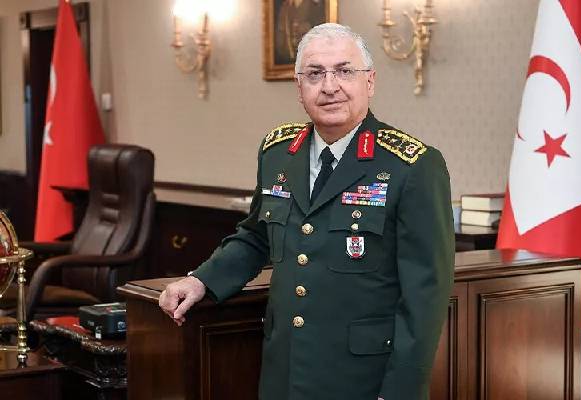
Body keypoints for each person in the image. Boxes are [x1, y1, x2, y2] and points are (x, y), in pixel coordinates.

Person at [159, 23, 454, 400]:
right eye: (315, 74)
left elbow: (426, 294)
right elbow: (256, 236)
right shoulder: (278, 152)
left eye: (345, 71)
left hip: (363, 379)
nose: (329, 86)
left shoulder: (412, 166)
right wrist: (201, 281)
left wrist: (401, 392)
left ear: (370, 81)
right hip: (284, 371)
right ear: (299, 88)